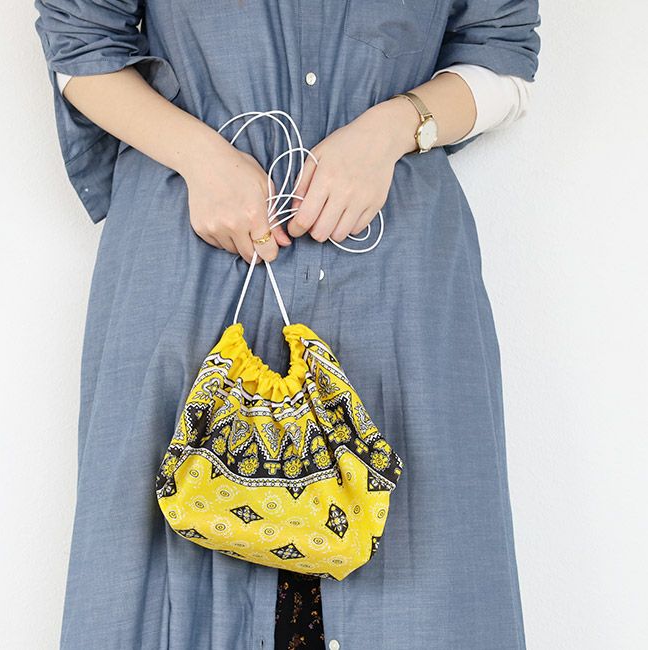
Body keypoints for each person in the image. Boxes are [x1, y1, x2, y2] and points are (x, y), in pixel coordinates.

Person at [33, 1, 541, 648]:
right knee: (168, 575)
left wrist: (393, 128)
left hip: (393, 271)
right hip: (193, 245)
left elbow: (504, 56)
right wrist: (201, 158)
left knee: (420, 583)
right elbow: (79, 46)